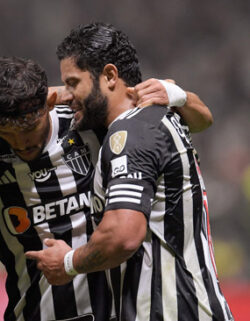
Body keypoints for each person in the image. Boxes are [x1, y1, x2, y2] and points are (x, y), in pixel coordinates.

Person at [0, 56, 213, 321]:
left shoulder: (88, 124)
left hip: (112, 310)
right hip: (33, 311)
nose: (21, 142)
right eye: (8, 133)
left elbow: (200, 120)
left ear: (49, 104)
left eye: (30, 127)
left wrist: (179, 95)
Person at [25, 22, 233, 321]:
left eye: (73, 83)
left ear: (110, 76)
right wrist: (180, 94)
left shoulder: (129, 134)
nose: (68, 95)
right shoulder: (161, 113)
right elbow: (204, 119)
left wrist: (68, 262)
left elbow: (124, 235)